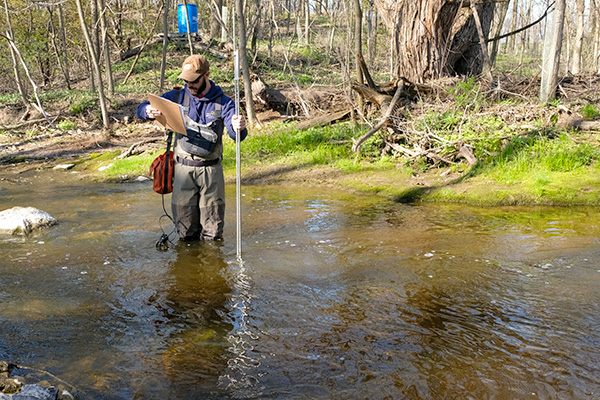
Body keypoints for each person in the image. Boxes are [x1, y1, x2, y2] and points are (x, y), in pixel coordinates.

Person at [137, 54, 247, 241]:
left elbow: (237, 136)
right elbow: (142, 108)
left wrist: (239, 127)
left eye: (194, 81)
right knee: (185, 232)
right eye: (186, 81)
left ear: (206, 75)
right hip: (182, 172)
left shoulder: (224, 103)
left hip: (211, 173)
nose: (190, 85)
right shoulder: (177, 96)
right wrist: (147, 111)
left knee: (213, 233)